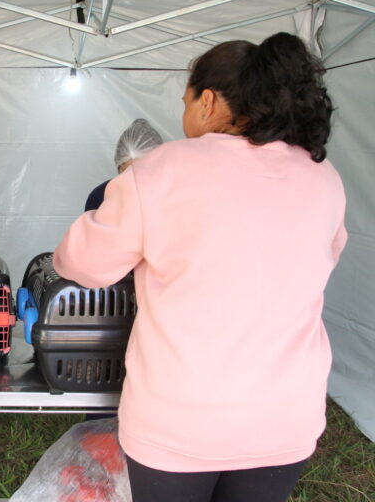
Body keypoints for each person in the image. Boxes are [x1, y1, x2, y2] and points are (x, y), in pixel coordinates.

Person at [53, 32, 346, 502]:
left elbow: (80, 264)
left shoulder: (163, 169)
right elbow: (324, 257)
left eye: (186, 100)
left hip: (179, 423)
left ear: (207, 101)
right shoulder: (323, 176)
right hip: (284, 419)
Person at [84, 118, 163, 211]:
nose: (136, 180)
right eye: (128, 172)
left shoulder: (174, 197)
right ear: (119, 167)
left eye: (144, 172)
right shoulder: (100, 198)